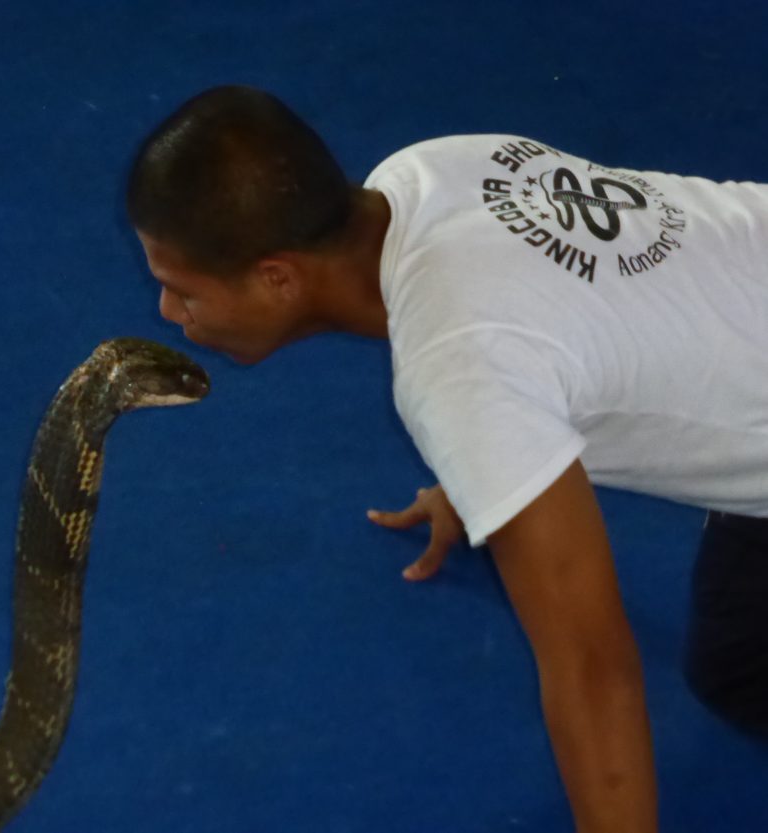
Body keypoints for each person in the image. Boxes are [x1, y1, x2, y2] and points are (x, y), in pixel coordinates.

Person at [125, 85, 768, 833]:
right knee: (738, 666)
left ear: (277, 277)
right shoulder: (417, 176)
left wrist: (483, 438)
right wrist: (484, 472)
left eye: (180, 290)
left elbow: (593, 667)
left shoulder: (459, 365)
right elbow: (547, 311)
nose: (170, 315)